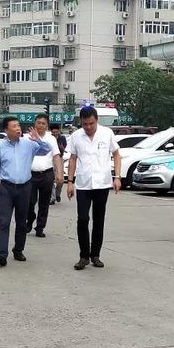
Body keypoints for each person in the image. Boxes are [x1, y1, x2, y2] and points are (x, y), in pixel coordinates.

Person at [0, 116, 51, 267]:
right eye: (14, 126)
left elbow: (46, 150)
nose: (18, 128)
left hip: (24, 187)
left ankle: (18, 249)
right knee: (4, 221)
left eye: (18, 126)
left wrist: (38, 140)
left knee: (22, 222)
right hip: (7, 188)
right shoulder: (0, 147)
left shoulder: (29, 144)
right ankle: (1, 254)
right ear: (6, 130)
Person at [66, 107, 121, 270]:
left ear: (96, 120)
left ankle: (95, 255)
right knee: (82, 219)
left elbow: (116, 154)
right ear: (81, 122)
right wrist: (70, 182)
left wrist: (117, 177)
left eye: (91, 123)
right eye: (85, 124)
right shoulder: (76, 136)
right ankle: (83, 256)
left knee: (99, 220)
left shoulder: (107, 133)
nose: (88, 127)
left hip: (102, 183)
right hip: (83, 184)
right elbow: (73, 158)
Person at [25, 114, 62, 238]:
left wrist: (59, 173)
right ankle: (30, 219)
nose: (40, 125)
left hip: (47, 174)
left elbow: (56, 156)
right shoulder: (27, 137)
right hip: (30, 175)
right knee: (30, 201)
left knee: (44, 203)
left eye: (43, 123)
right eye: (38, 123)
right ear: (35, 124)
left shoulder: (51, 139)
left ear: (47, 126)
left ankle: (40, 227)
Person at [50, 123, 67, 204]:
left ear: (59, 131)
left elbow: (63, 148)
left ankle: (57, 194)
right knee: (51, 179)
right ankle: (52, 198)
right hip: (51, 159)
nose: (55, 134)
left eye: (56, 132)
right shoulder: (49, 138)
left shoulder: (62, 138)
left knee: (60, 180)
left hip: (60, 159)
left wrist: (60, 146)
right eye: (53, 132)